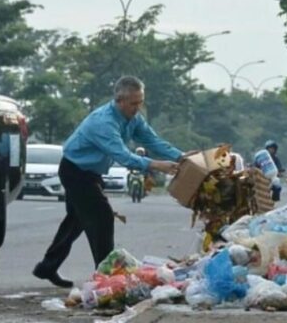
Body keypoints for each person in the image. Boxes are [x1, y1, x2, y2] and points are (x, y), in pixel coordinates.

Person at [32, 76, 192, 288]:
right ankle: (106, 277)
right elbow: (123, 156)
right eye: (133, 103)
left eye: (140, 102)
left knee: (76, 221)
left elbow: (152, 140)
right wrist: (156, 164)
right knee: (102, 217)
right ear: (120, 100)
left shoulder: (133, 118)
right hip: (75, 171)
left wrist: (182, 157)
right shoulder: (103, 122)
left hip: (91, 173)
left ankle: (46, 267)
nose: (138, 108)